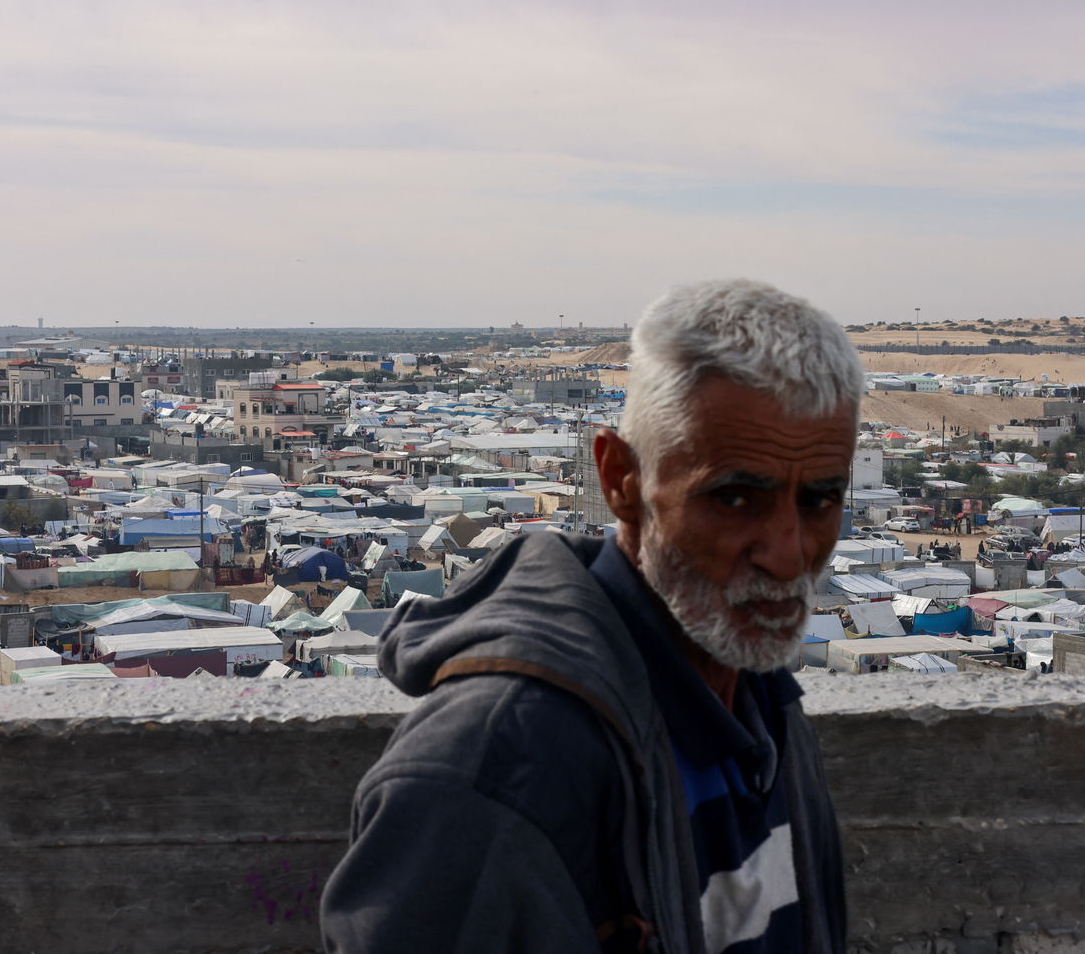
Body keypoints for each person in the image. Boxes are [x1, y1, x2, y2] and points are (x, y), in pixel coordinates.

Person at [321, 280, 858, 953]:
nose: (789, 553)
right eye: (734, 498)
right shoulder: (493, 769)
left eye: (819, 499)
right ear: (621, 480)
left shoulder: (760, 699)